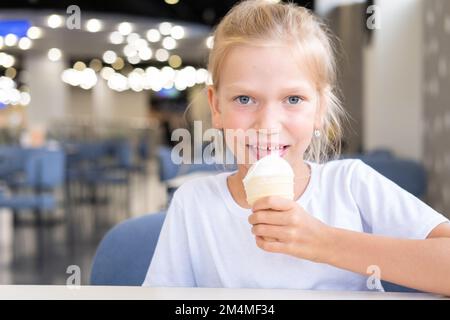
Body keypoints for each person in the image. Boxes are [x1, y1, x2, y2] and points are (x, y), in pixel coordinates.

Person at [143, 0, 450, 294]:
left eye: (293, 99)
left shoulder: (352, 186)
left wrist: (323, 242)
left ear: (319, 109)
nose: (268, 125)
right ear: (216, 106)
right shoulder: (193, 203)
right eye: (245, 99)